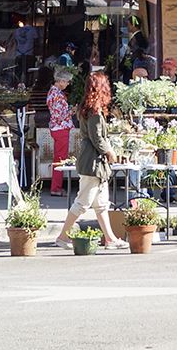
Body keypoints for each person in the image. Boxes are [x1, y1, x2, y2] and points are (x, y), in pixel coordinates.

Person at [54, 70, 128, 250]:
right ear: (101, 88)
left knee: (101, 204)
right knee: (82, 203)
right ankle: (62, 237)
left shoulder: (86, 107)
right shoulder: (95, 111)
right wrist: (110, 152)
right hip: (92, 162)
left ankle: (110, 239)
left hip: (93, 161)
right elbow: (97, 138)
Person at [45, 68, 74, 196]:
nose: (67, 84)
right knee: (60, 160)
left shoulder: (53, 93)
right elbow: (59, 116)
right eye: (67, 81)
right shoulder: (57, 94)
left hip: (57, 128)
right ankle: (56, 188)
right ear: (61, 81)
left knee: (59, 158)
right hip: (60, 129)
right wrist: (72, 111)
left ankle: (56, 186)